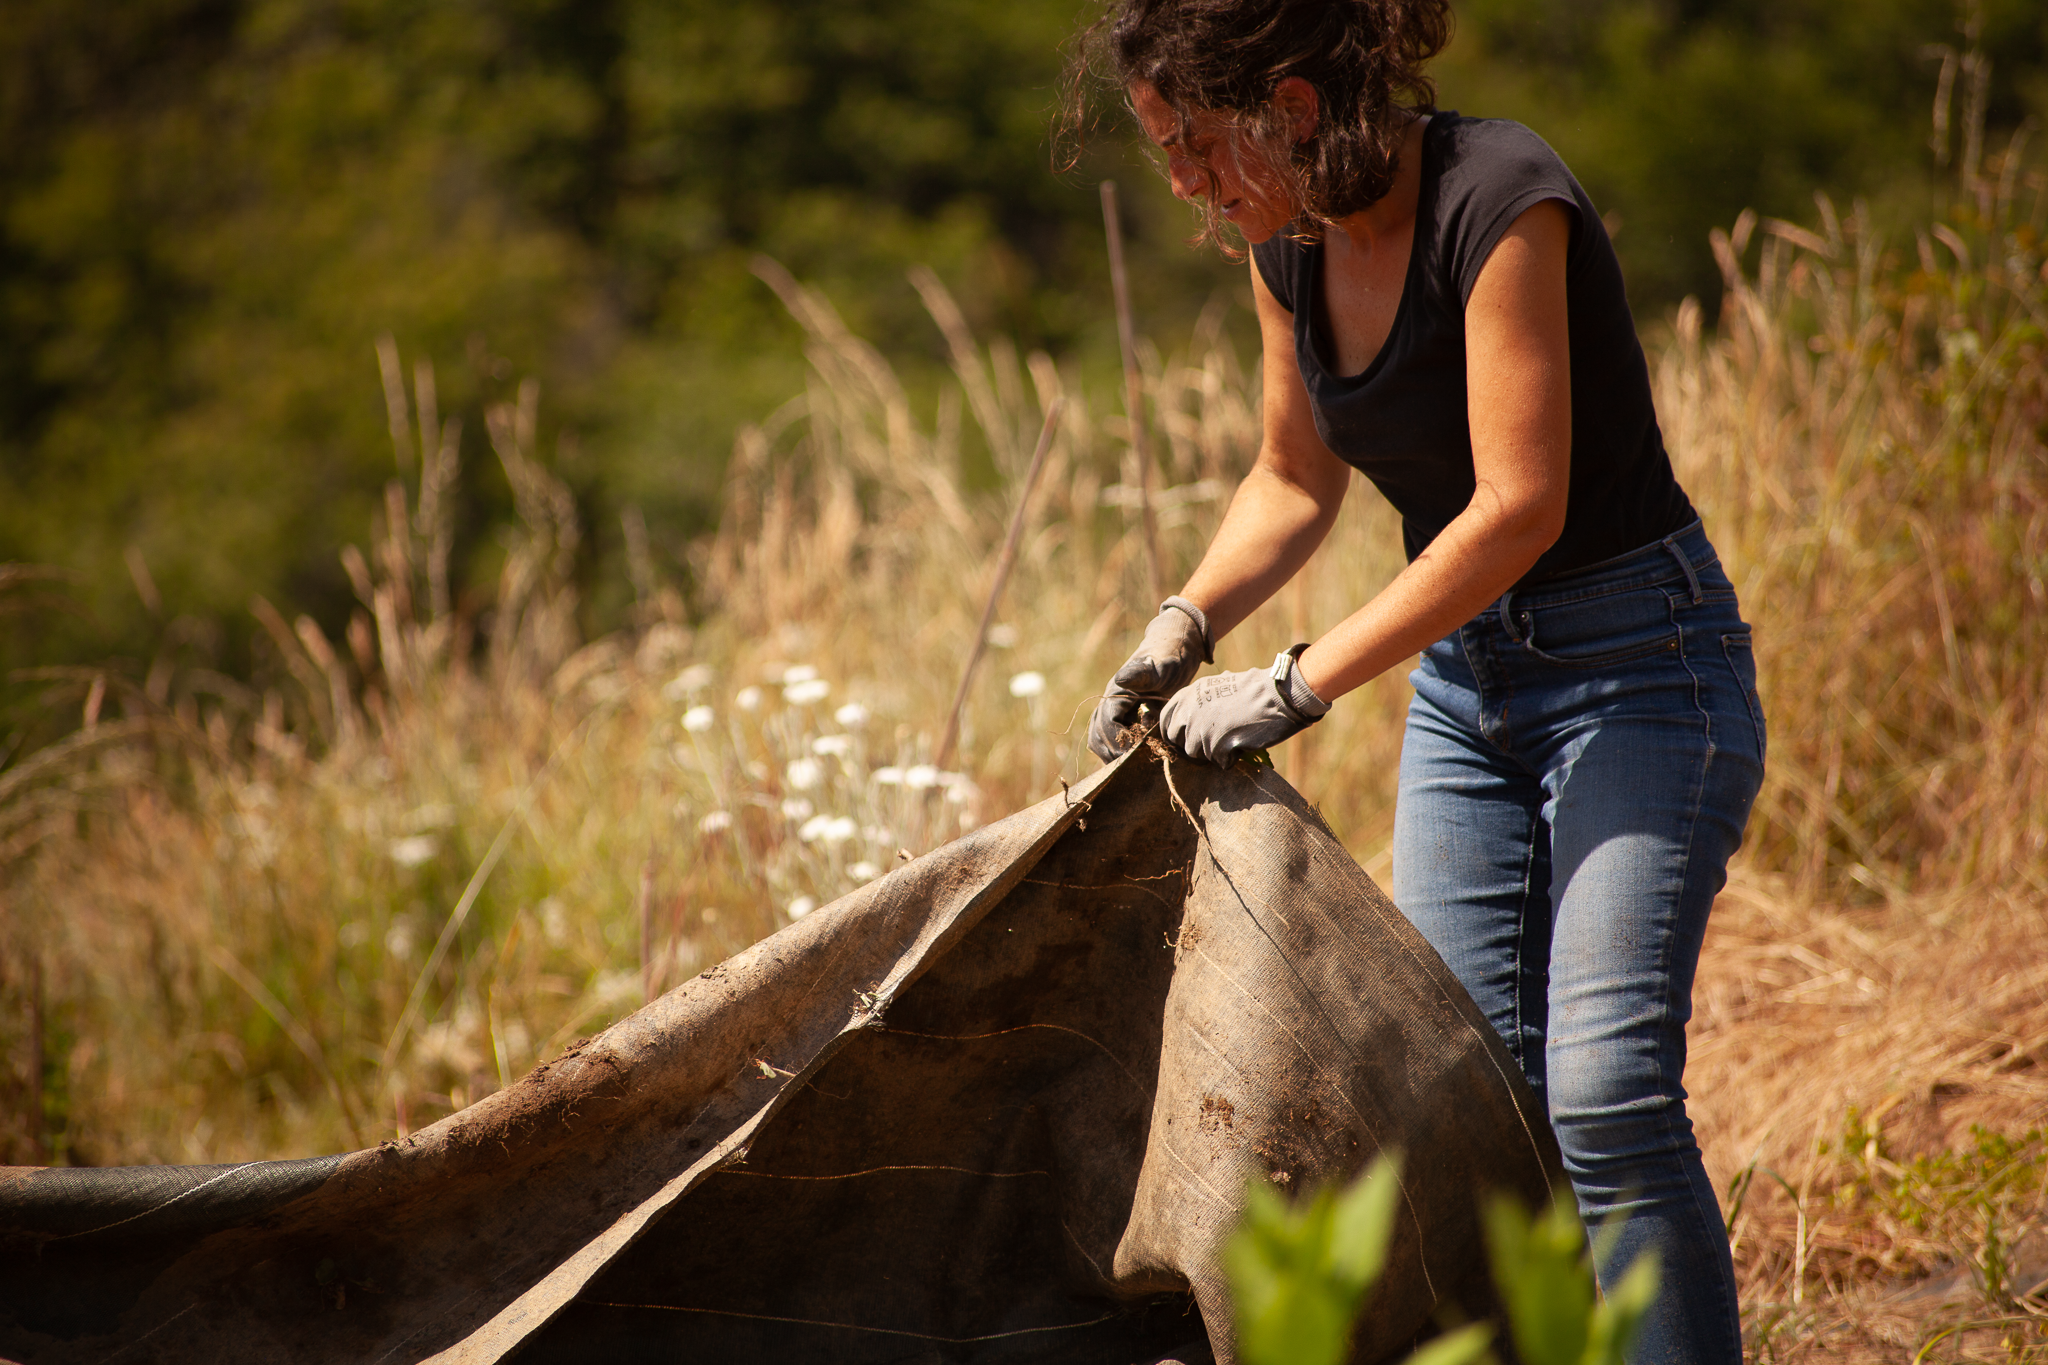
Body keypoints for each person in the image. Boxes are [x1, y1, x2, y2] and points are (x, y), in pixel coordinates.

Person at [1074, 2, 1765, 1361]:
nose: (1183, 185)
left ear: (1290, 102)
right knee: (1460, 1109)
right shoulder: (1286, 246)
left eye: (1198, 142)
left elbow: (1519, 506)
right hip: (1472, 694)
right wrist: (1181, 622)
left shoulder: (1502, 197)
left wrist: (1292, 683)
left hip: (1643, 669)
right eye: (1163, 151)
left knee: (1608, 1096)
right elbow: (1291, 478)